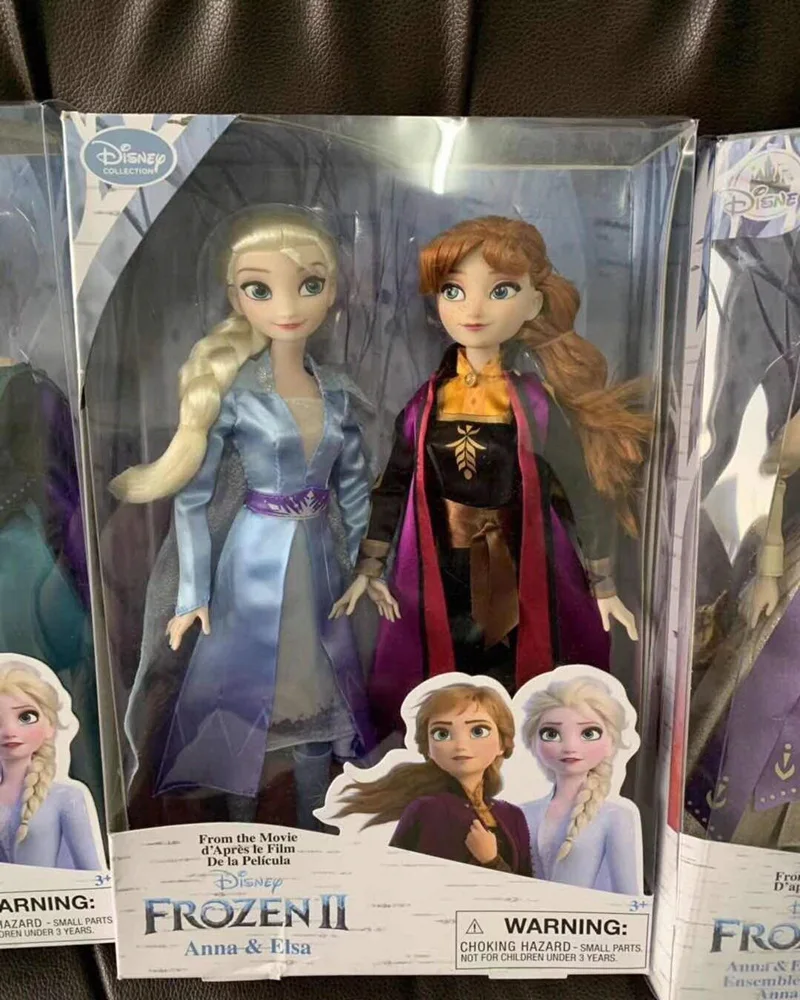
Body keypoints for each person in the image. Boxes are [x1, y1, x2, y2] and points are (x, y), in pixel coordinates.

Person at [332, 216, 648, 737]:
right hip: (442, 560)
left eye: (501, 291)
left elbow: (579, 490)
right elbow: (394, 485)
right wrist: (371, 565)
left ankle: (509, 758)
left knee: (513, 668)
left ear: (534, 303)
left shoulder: (533, 403)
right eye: (453, 291)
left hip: (517, 561)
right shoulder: (426, 403)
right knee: (446, 671)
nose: (473, 310)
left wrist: (604, 582)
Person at [111, 208, 375, 828]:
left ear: (332, 292)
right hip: (251, 560)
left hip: (318, 561)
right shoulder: (237, 396)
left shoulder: (337, 394)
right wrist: (193, 594)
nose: (287, 306)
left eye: (309, 284)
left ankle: (314, 822)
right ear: (236, 298)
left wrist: (366, 565)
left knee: (315, 688)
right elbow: (193, 497)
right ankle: (240, 824)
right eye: (261, 288)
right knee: (242, 692)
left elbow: (354, 485)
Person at [333, 682, 532, 875]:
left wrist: (492, 861)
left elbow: (530, 888)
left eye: (478, 731)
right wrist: (491, 862)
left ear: (502, 744)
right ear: (427, 747)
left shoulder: (512, 815)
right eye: (442, 733)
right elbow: (416, 883)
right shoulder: (429, 810)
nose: (460, 745)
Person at [519, 674, 642, 894]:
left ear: (611, 742)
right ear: (533, 742)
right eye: (551, 733)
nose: (570, 747)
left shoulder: (615, 817)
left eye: (588, 733)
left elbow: (628, 898)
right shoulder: (522, 812)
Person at [0, 658, 101, 870]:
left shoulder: (66, 798)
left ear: (50, 727)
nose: (9, 731)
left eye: (26, 717)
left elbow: (91, 874)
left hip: (53, 891)